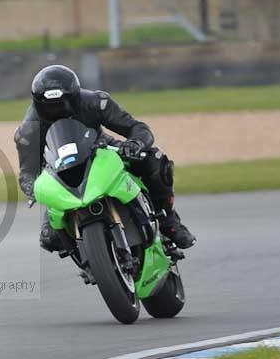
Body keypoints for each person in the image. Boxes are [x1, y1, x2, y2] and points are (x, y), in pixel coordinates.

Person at [15, 64, 197, 251]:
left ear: (76, 97)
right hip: (59, 169)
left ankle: (169, 222)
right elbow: (27, 172)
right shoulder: (28, 131)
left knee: (154, 160)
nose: (58, 111)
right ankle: (87, 256)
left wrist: (135, 144)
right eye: (50, 108)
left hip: (101, 148)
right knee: (50, 239)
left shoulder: (96, 102)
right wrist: (32, 188)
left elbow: (138, 128)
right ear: (37, 104)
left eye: (63, 104)